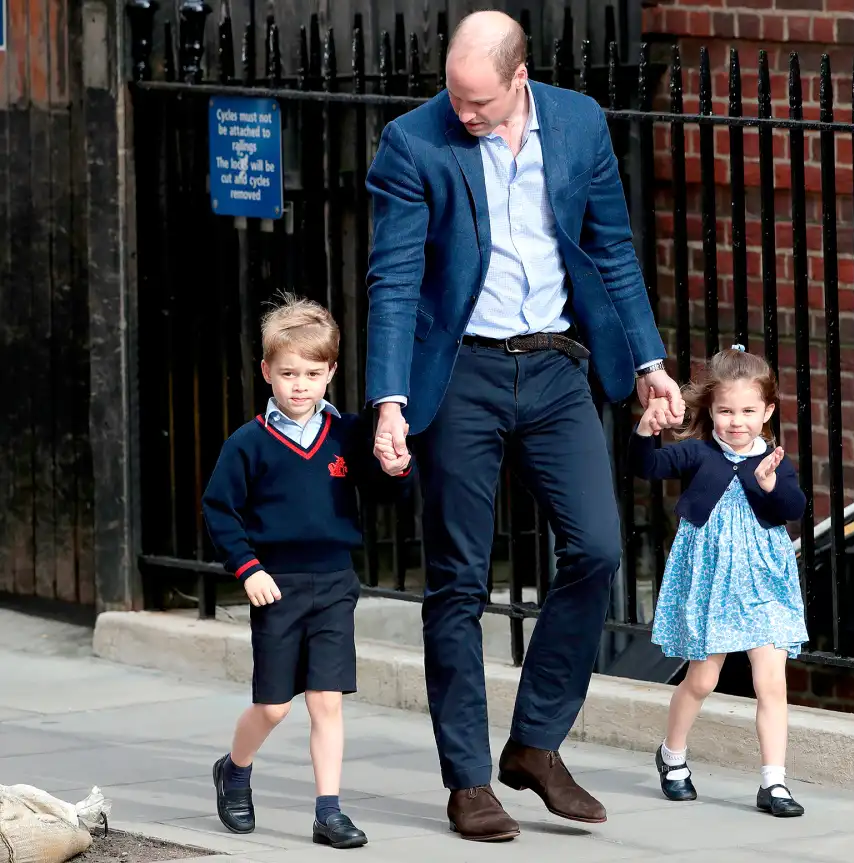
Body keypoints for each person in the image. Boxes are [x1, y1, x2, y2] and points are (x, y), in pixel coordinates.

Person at [364, 8, 685, 842]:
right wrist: (389, 399)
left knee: (599, 547)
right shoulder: (413, 143)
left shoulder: (577, 123)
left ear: (519, 77)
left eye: (476, 101)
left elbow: (612, 250)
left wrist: (649, 363)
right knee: (459, 582)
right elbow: (394, 280)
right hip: (460, 371)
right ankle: (469, 780)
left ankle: (535, 742)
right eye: (452, 96)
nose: (460, 113)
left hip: (554, 365)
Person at [201, 294, 412, 849]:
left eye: (313, 374)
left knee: (327, 700)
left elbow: (388, 492)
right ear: (267, 371)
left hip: (335, 583)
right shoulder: (248, 444)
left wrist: (397, 468)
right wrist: (247, 569)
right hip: (275, 586)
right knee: (273, 705)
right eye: (289, 372)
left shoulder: (347, 434)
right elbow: (219, 510)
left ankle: (329, 811)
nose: (300, 385)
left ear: (331, 373)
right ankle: (235, 768)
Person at [629, 345, 809, 817]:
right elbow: (647, 468)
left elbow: (793, 508)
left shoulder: (772, 459)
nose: (736, 421)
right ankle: (672, 757)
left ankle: (775, 783)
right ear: (710, 408)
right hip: (712, 582)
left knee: (772, 682)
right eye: (726, 410)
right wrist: (645, 432)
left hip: (763, 582)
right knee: (703, 680)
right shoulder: (696, 452)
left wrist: (770, 487)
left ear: (767, 411)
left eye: (749, 410)